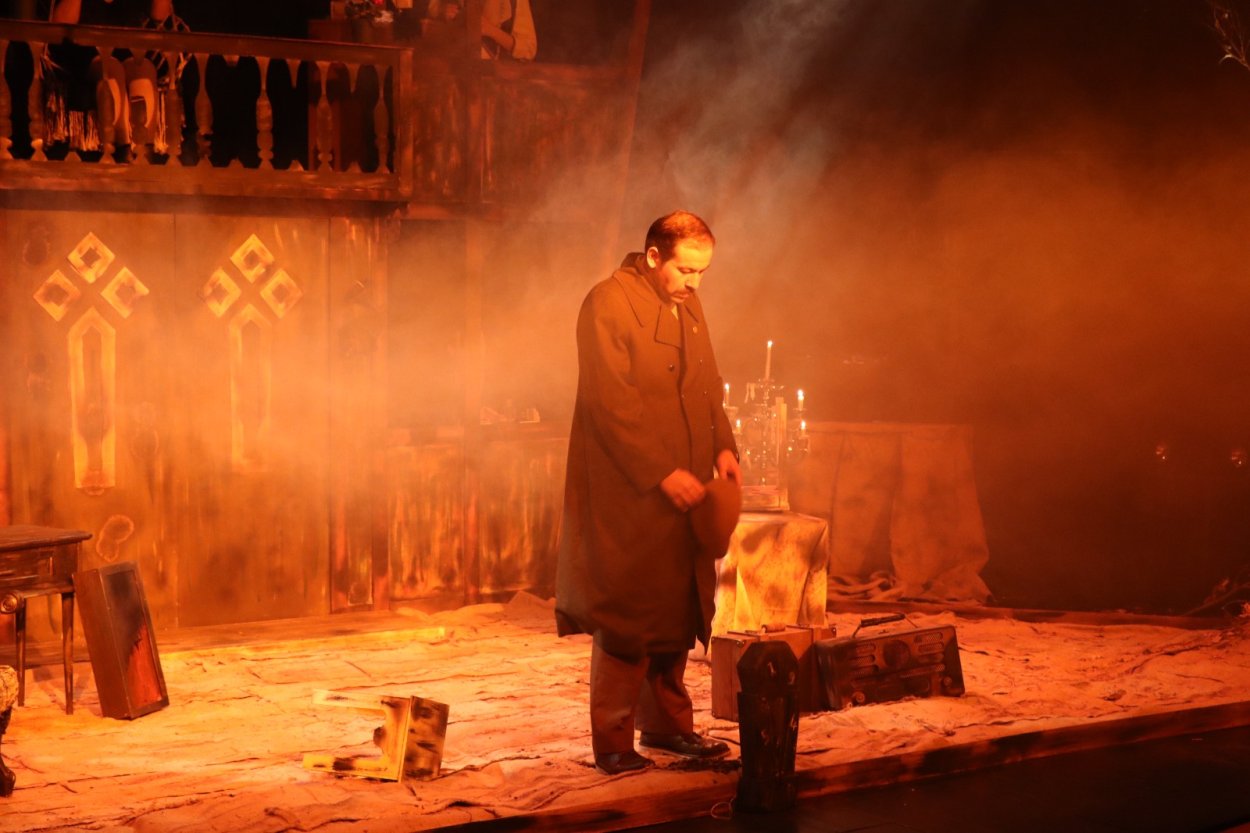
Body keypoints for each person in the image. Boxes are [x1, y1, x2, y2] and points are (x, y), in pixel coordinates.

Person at [555, 210, 741, 776]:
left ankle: (668, 726)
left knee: (676, 606)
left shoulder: (689, 304)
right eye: (686, 270)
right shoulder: (607, 303)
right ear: (654, 256)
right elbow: (610, 404)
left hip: (687, 481)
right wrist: (661, 471)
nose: (695, 282)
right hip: (630, 487)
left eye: (703, 272)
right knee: (629, 614)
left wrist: (724, 447)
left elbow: (707, 386)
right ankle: (613, 741)